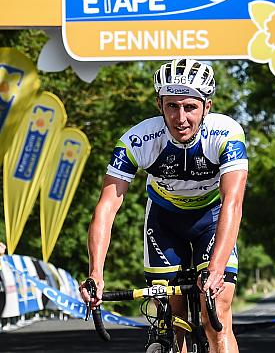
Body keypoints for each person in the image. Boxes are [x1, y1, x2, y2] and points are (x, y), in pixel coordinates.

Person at [80, 58, 248, 353]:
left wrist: (216, 268)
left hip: (211, 218)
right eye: (172, 106)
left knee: (217, 314)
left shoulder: (226, 134)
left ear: (207, 107)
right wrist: (95, 273)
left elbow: (232, 202)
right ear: (159, 104)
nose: (180, 118)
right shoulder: (138, 140)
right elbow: (106, 207)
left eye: (190, 107)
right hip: (164, 221)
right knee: (171, 319)